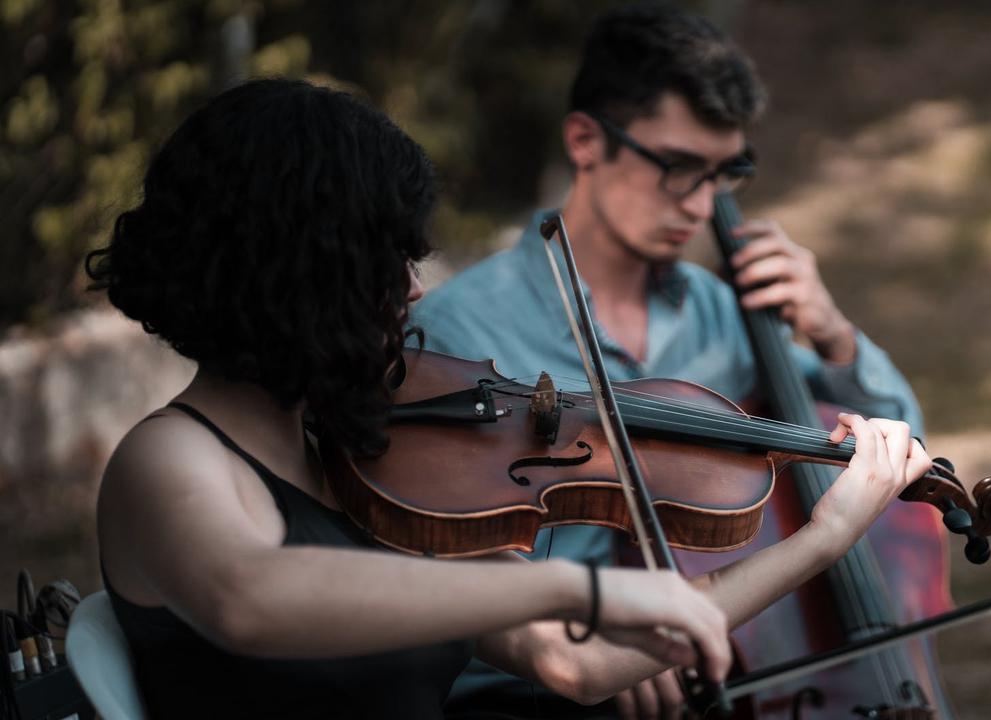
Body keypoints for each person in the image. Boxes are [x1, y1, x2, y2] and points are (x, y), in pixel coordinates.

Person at [87, 78, 930, 719]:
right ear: (301, 276)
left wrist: (822, 538)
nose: (412, 293)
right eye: (388, 263)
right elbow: (250, 598)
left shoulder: (377, 458)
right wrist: (572, 588)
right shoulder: (169, 459)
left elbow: (581, 661)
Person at [412, 4, 933, 719]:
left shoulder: (725, 314)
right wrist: (597, 628)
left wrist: (834, 335)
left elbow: (897, 453)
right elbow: (431, 558)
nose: (701, 203)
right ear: (586, 140)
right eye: (679, 167)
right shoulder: (456, 329)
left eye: (724, 173)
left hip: (720, 665)